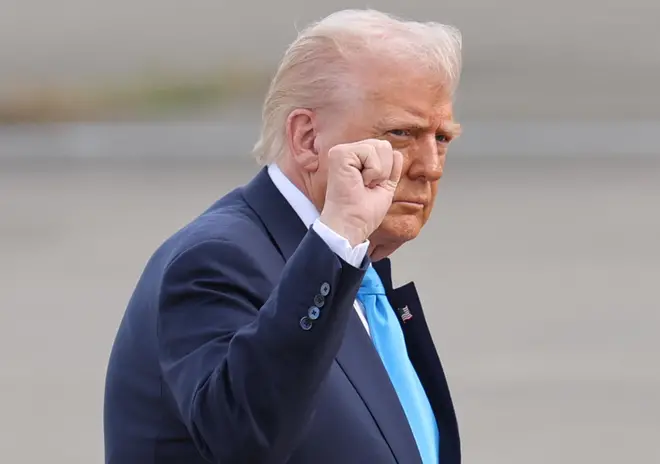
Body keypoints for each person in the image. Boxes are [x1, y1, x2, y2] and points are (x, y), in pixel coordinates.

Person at [103, 9, 463, 464]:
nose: (430, 166)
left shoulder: (356, 270)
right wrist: (337, 240)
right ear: (308, 139)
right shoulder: (217, 261)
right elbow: (240, 439)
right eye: (401, 133)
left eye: (443, 138)